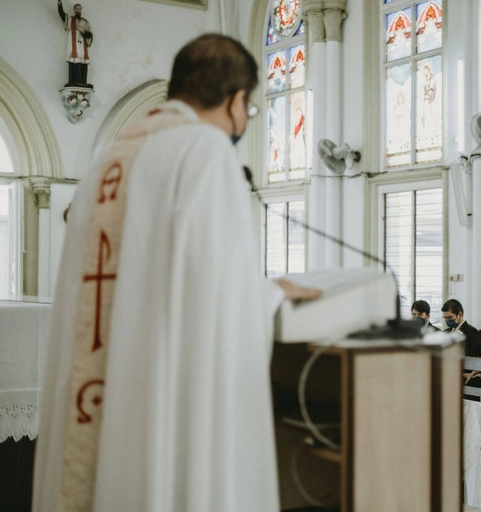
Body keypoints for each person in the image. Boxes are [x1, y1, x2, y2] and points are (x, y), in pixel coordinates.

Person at [32, 34, 322, 512]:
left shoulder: (109, 156)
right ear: (235, 102)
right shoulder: (204, 152)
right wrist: (270, 295)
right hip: (152, 401)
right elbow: (219, 300)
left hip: (106, 389)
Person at [57, 0, 94, 88]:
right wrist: (59, 3)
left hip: (82, 47)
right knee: (74, 61)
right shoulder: (71, 20)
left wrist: (83, 31)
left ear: (81, 10)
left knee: (83, 63)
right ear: (74, 10)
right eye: (76, 8)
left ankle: (83, 81)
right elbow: (62, 14)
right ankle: (73, 81)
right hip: (74, 47)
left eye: (79, 9)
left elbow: (90, 35)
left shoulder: (85, 22)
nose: (78, 10)